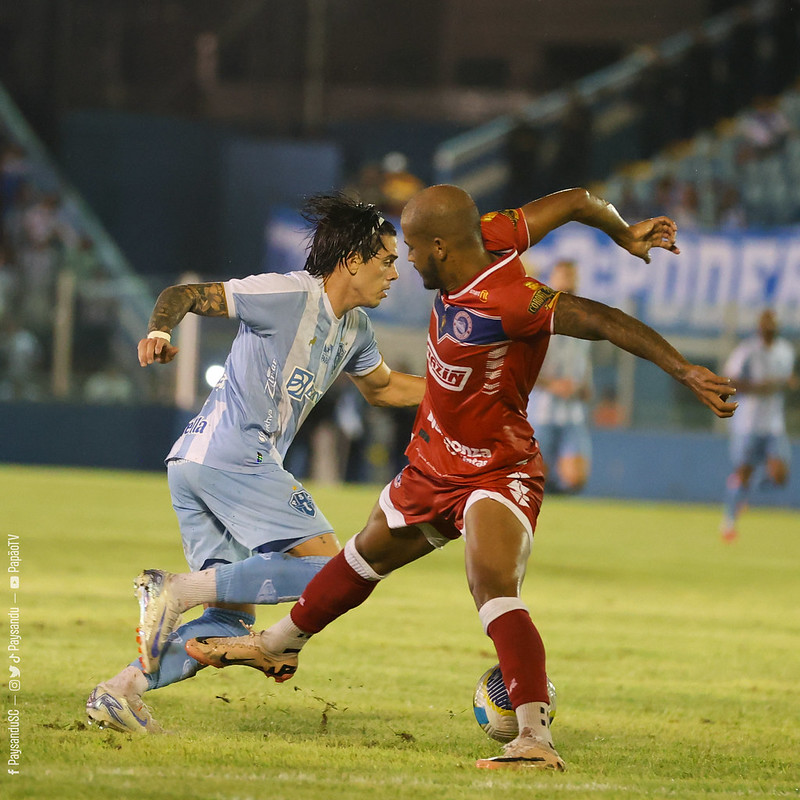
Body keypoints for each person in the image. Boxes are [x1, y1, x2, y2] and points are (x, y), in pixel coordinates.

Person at [185, 185, 737, 771]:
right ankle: (275, 646)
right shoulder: (492, 233)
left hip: (498, 469)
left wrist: (683, 370)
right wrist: (622, 230)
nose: (406, 263)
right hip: (434, 463)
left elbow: (600, 319)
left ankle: (533, 737)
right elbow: (577, 200)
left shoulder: (510, 301)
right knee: (363, 554)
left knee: (491, 583)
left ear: (442, 248)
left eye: (414, 252)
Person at [86, 193, 426, 734]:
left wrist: (459, 390)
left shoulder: (355, 328)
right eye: (387, 260)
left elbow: (384, 389)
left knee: (228, 619)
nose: (395, 273)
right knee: (335, 569)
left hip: (199, 466)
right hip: (234, 457)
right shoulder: (288, 293)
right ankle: (176, 589)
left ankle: (117, 692)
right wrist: (159, 330)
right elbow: (186, 293)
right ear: (354, 259)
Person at [720, 309, 796, 543]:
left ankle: (746, 488)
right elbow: (728, 380)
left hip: (773, 423)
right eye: (765, 324)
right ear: (759, 327)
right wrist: (759, 387)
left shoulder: (786, 350)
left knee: (781, 475)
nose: (768, 328)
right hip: (748, 423)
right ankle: (729, 522)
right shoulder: (747, 350)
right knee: (743, 470)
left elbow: (785, 380)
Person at [526, 260, 593, 493]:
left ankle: (555, 492)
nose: (568, 280)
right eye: (563, 275)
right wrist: (550, 384)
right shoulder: (536, 316)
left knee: (576, 478)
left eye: (572, 275)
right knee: (534, 475)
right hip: (540, 409)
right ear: (552, 279)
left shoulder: (585, 317)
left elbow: (583, 359)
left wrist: (586, 385)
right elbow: (523, 365)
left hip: (572, 410)